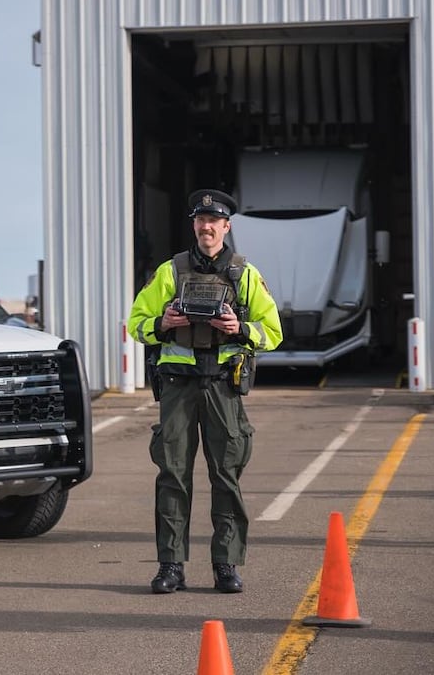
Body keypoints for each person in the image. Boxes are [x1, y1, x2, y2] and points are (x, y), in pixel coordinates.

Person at [128, 189, 282, 594]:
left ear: (226, 227)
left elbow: (274, 333)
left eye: (214, 221)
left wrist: (241, 329)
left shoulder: (243, 274)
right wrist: (162, 323)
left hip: (223, 387)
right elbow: (136, 322)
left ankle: (225, 566)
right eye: (200, 220)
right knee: (172, 476)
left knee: (226, 477)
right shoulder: (170, 271)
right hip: (178, 386)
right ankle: (170, 567)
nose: (206, 227)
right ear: (194, 225)